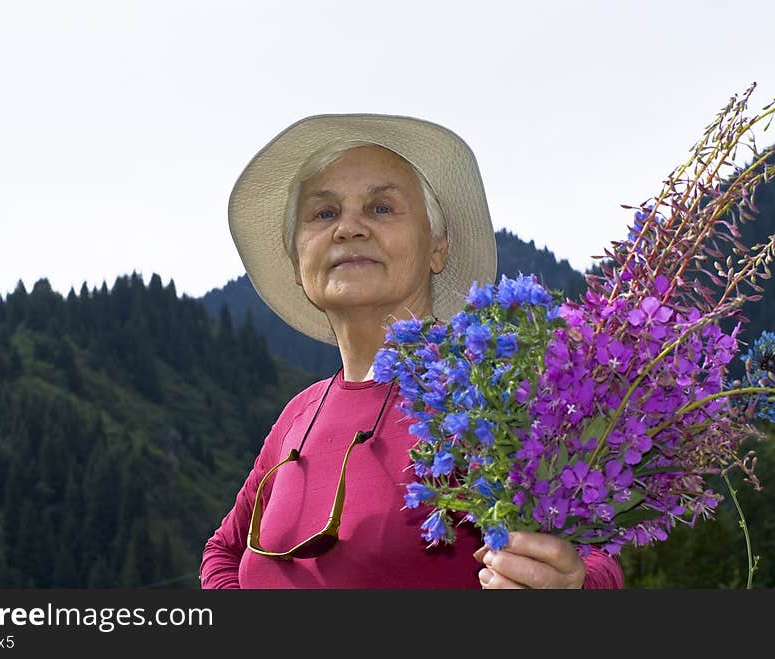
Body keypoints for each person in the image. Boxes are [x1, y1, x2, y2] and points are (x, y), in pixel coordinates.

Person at [200, 113, 624, 589]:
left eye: (381, 208)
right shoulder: (300, 412)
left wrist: (571, 585)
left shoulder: (487, 393)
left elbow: (590, 557)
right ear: (298, 264)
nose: (349, 228)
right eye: (324, 213)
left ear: (437, 247)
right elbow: (224, 551)